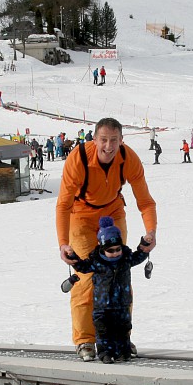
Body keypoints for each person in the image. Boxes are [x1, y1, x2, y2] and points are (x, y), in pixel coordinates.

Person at [56, 117, 157, 362]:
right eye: (103, 140)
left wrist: (151, 231)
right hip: (81, 214)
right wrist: (63, 243)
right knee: (86, 278)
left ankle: (121, 337)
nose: (108, 146)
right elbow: (63, 204)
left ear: (122, 141)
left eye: (114, 140)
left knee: (120, 274)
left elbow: (145, 201)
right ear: (94, 139)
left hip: (113, 211)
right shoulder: (78, 159)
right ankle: (85, 341)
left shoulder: (129, 159)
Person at [67, 217, 150, 363]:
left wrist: (145, 244)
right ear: (102, 248)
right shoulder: (96, 262)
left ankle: (124, 352)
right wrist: (72, 256)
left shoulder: (125, 259)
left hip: (122, 304)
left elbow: (139, 256)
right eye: (110, 250)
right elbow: (82, 267)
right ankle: (105, 353)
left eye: (118, 249)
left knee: (123, 329)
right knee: (103, 331)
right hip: (102, 306)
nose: (115, 253)